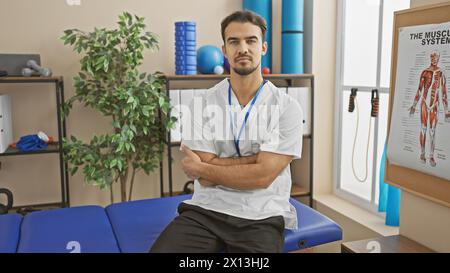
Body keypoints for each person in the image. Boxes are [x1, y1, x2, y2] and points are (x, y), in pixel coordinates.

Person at [149, 10, 303, 253]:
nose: (243, 48)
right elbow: (206, 178)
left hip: (262, 215)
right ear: (224, 50)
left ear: (263, 48)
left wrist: (206, 166)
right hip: (206, 210)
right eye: (234, 41)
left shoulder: (286, 107)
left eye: (250, 40)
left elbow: (263, 177)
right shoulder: (201, 103)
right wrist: (254, 161)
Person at [409, 51, 449, 167]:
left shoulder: (441, 73)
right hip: (425, 104)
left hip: (434, 105)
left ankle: (431, 156)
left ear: (439, 58)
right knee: (423, 129)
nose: (434, 59)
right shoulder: (425, 72)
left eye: (436, 57)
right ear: (430, 58)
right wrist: (414, 105)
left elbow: (444, 92)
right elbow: (420, 89)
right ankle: (422, 153)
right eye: (432, 57)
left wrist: (446, 111)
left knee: (432, 131)